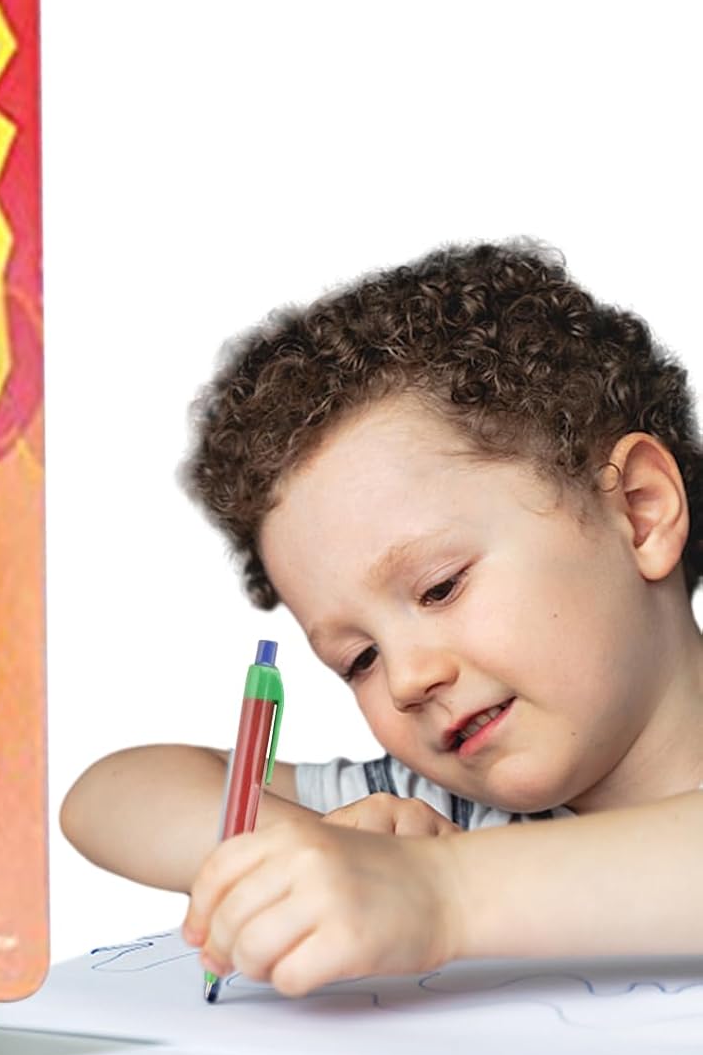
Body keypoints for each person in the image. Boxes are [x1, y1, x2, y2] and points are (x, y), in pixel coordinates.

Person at [61, 242, 703, 996]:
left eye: (440, 588)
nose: (405, 680)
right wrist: (318, 854)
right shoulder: (432, 814)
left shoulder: (438, 863)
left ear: (639, 512)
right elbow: (107, 795)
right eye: (358, 660)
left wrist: (439, 892)